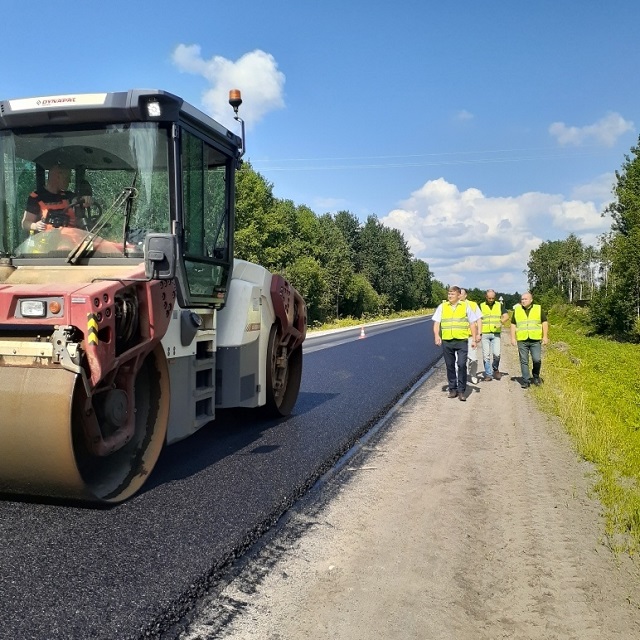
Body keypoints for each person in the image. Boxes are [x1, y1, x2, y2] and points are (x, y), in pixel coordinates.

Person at [433, 286, 479, 401]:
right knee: (450, 366)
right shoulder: (442, 307)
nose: (450, 296)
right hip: (447, 341)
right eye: (449, 294)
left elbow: (472, 324)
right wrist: (437, 335)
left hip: (461, 341)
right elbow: (436, 323)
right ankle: (452, 389)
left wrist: (474, 339)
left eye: (452, 294)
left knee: (462, 364)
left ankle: (461, 391)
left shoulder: (465, 307)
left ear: (459, 295)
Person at [22, 165, 90, 234]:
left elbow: (78, 201)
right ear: (57, 176)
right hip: (48, 241)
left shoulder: (67, 196)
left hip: (72, 239)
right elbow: (25, 223)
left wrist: (86, 199)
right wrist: (35, 226)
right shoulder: (36, 197)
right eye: (67, 178)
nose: (69, 181)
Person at [510, 291, 549, 388]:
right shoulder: (517, 310)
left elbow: (544, 322)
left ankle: (535, 376)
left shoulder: (538, 309)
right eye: (522, 299)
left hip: (535, 339)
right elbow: (513, 324)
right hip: (522, 339)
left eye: (525, 299)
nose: (523, 301)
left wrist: (545, 336)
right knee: (524, 360)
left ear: (531, 300)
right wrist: (513, 337)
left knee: (537, 360)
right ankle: (526, 380)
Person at [479, 289, 509, 381]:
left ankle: (495, 369)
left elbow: (506, 316)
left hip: (496, 334)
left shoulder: (499, 305)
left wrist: (501, 322)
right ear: (486, 297)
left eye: (492, 298)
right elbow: (477, 319)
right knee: (486, 355)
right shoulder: (481, 306)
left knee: (497, 354)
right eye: (489, 298)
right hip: (485, 333)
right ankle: (488, 374)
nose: (491, 300)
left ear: (495, 297)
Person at [459, 288, 482, 383]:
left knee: (473, 359)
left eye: (461, 294)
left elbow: (479, 320)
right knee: (460, 361)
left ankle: (473, 374)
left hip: (470, 336)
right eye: (458, 294)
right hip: (459, 337)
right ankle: (461, 377)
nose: (459, 296)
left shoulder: (473, 305)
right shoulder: (454, 306)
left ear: (465, 295)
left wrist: (479, 334)